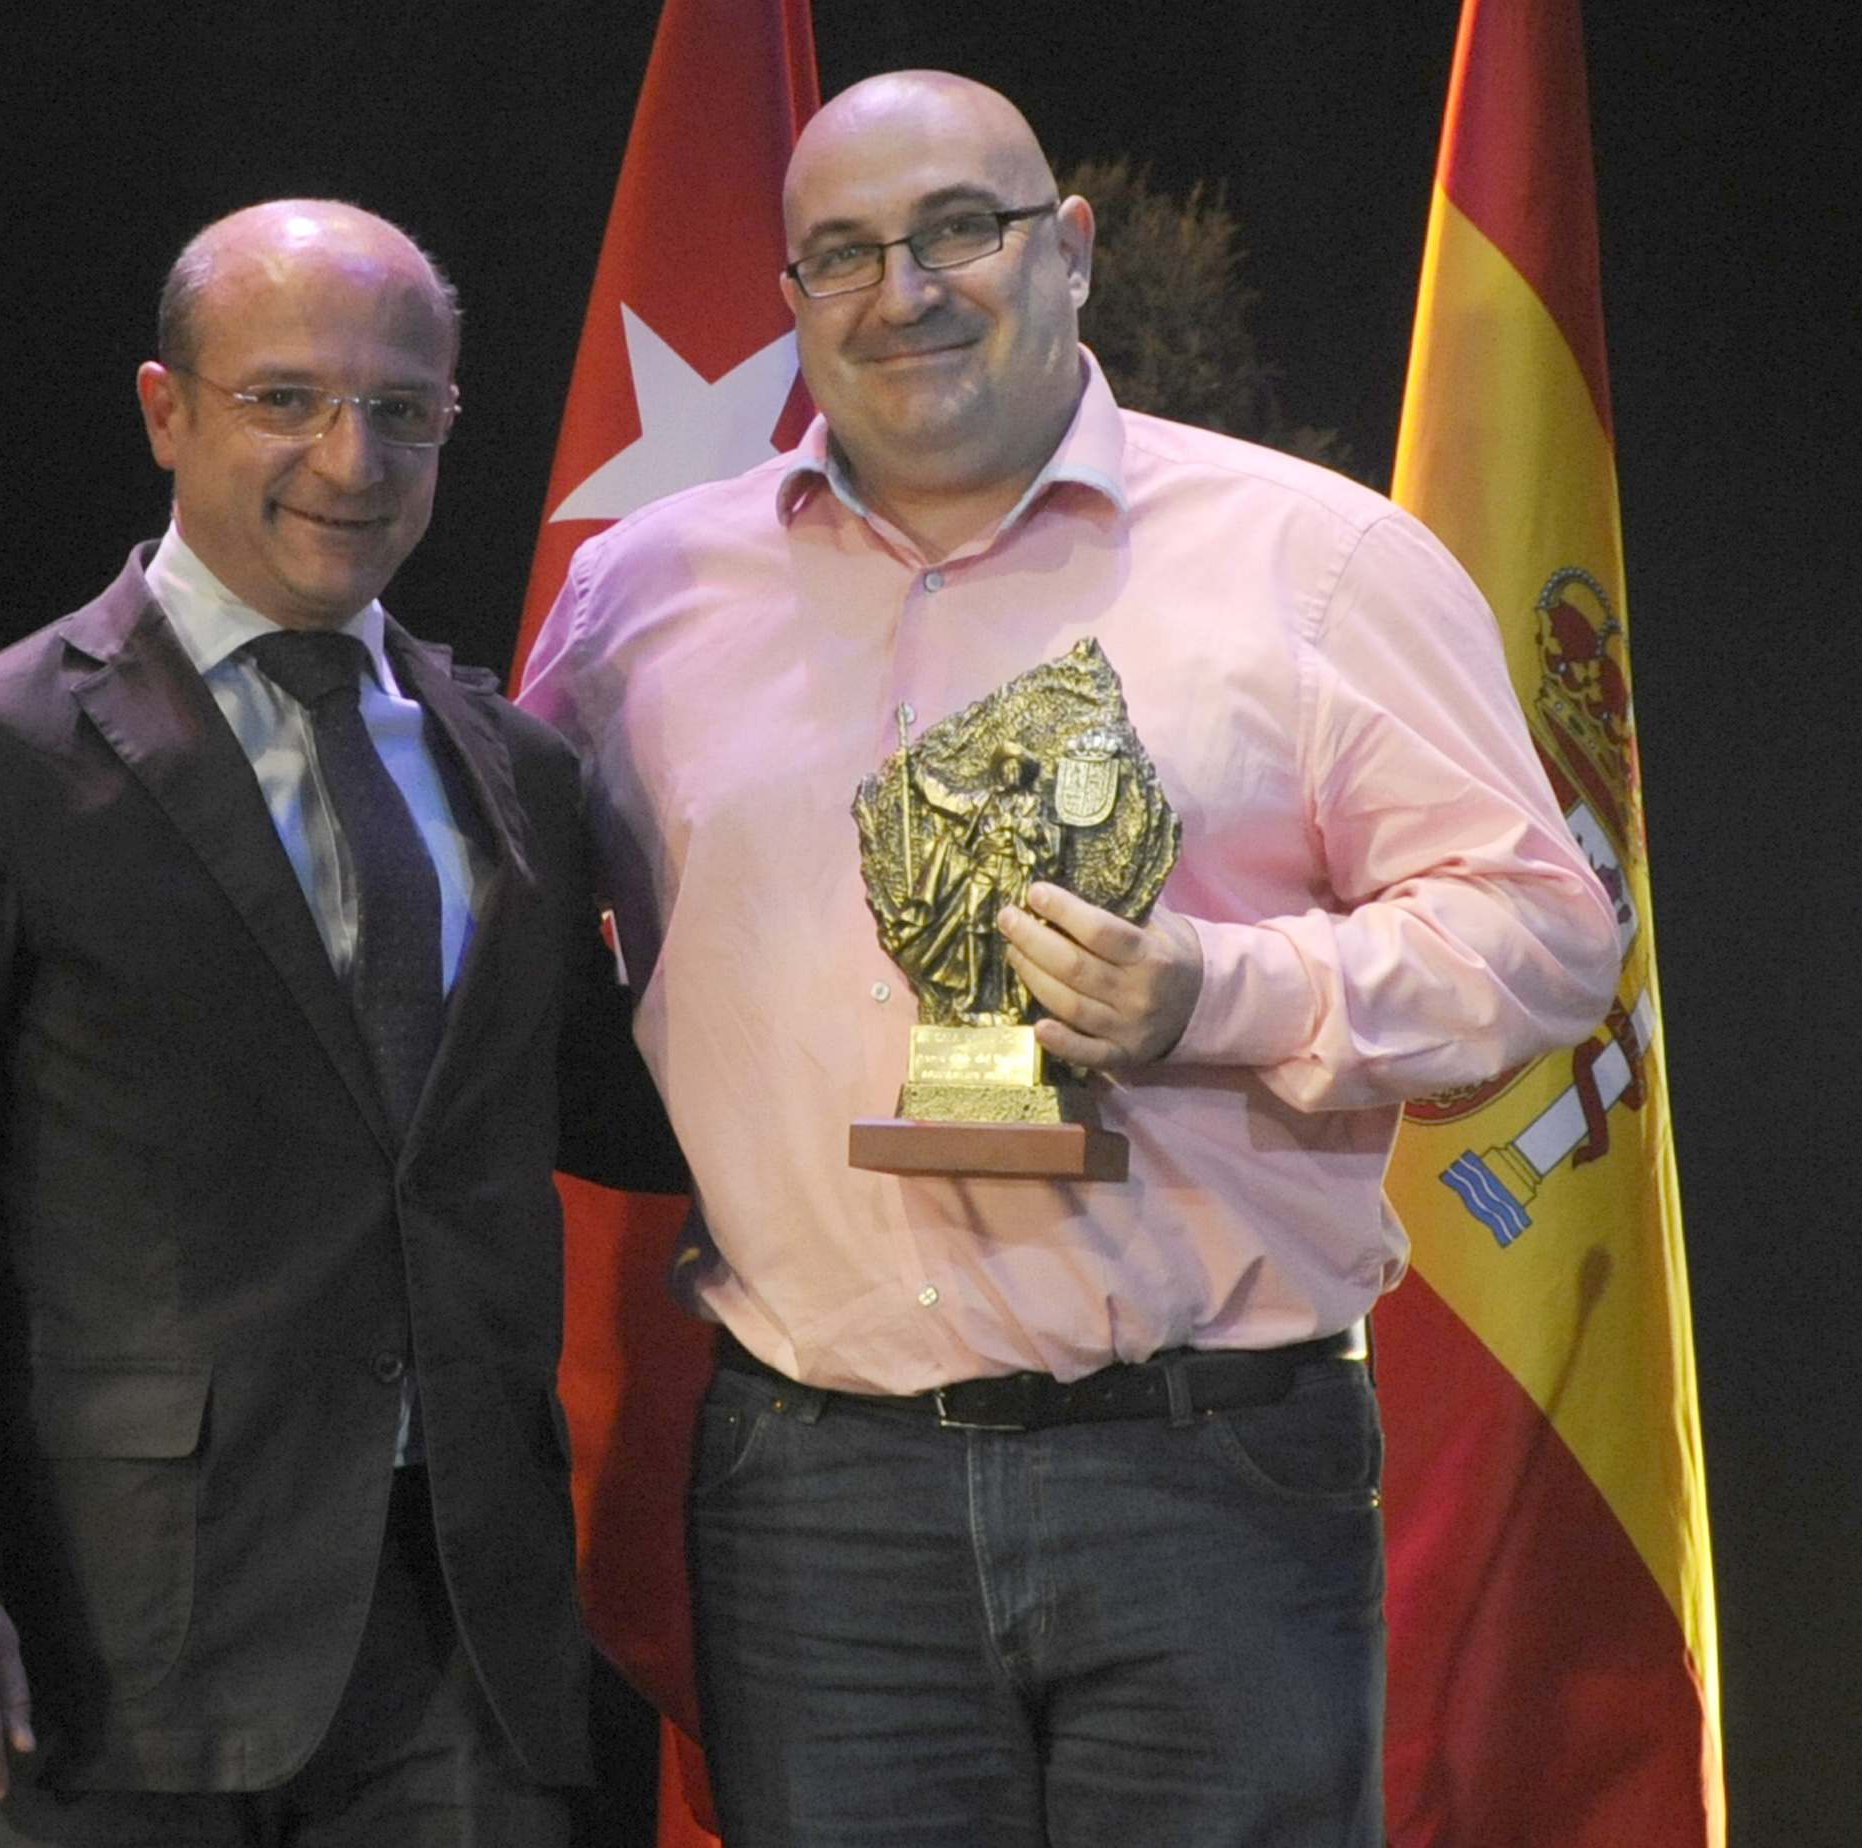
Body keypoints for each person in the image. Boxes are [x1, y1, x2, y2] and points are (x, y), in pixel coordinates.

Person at [518, 73, 1623, 1848]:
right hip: (816, 1491)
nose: (905, 289)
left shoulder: (1316, 561)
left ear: (1072, 249)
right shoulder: (641, 598)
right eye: (844, 253)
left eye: (960, 228)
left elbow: (1549, 935)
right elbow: (505, 942)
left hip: (1206, 1472)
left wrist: (1216, 997)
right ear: (792, 296)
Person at [0, 200, 673, 1847]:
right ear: (165, 410)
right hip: (107, 1641)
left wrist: (928, 1020)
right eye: (286, 399)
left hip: (465, 1639)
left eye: (401, 409)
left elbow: (619, 1106)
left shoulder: (519, 769)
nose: (351, 457)